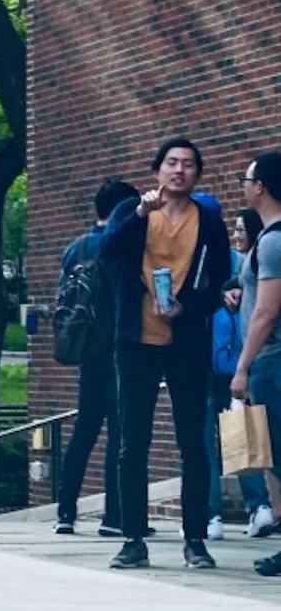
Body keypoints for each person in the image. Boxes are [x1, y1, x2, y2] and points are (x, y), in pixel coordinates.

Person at [101, 137, 230, 569]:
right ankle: (132, 539)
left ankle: (195, 539)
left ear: (198, 174)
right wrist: (140, 213)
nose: (179, 170)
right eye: (171, 163)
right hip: (135, 341)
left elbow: (222, 284)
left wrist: (186, 308)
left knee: (193, 443)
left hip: (186, 342)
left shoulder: (208, 221)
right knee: (131, 442)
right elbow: (108, 251)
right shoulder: (133, 211)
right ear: (157, 170)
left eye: (188, 164)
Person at [54, 179, 139, 535]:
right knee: (120, 434)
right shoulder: (120, 246)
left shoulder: (76, 249)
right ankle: (114, 517)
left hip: (87, 349)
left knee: (84, 431)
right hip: (119, 347)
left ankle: (65, 513)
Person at [206, 210, 272, 540]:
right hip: (228, 362)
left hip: (227, 363)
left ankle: (218, 514)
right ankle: (255, 506)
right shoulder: (238, 263)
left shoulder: (246, 262)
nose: (235, 235)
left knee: (226, 438)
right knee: (238, 434)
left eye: (240, 229)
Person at [232, 159, 281, 575]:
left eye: (244, 181)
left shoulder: (272, 242)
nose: (242, 187)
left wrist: (242, 367)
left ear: (260, 187)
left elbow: (266, 313)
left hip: (272, 363)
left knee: (279, 456)